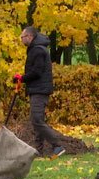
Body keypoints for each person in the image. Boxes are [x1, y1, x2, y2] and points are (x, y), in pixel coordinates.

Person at [13, 26, 65, 157]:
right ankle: (38, 150)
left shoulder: (38, 50)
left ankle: (57, 146)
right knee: (37, 120)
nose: (21, 40)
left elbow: (37, 71)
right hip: (37, 89)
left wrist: (22, 78)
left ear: (29, 37)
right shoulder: (36, 49)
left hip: (39, 90)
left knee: (36, 120)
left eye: (22, 37)